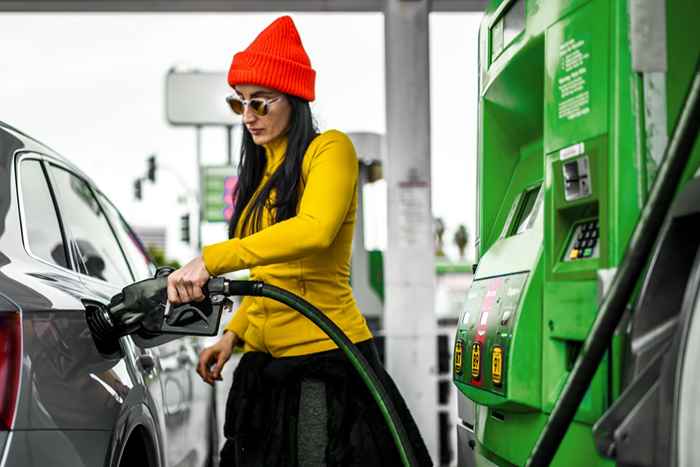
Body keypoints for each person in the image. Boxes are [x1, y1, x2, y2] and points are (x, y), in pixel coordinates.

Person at [166, 15, 432, 467]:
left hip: (324, 363)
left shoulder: (330, 150)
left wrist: (211, 260)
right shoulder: (260, 172)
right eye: (240, 104)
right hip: (268, 371)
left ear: (293, 98)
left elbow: (314, 229)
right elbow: (269, 279)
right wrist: (233, 335)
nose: (248, 116)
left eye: (260, 103)